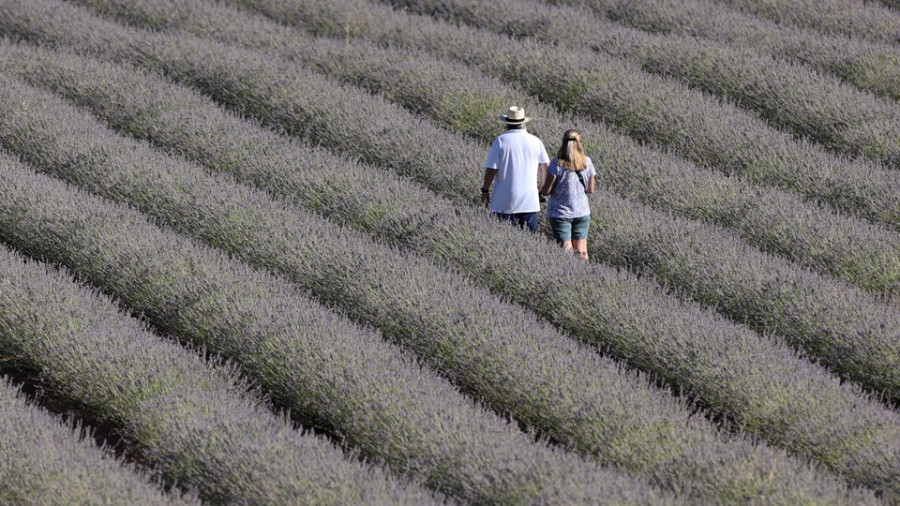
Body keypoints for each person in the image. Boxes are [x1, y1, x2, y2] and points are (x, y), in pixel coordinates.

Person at [481, 106, 550, 233]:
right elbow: (546, 167)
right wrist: (542, 189)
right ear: (523, 123)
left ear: (507, 123)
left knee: (503, 239)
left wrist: (485, 190)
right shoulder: (536, 141)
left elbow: (492, 170)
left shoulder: (500, 141)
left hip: (504, 201)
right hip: (529, 200)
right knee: (530, 241)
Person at [539, 129, 595, 260]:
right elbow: (590, 189)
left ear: (563, 143)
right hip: (581, 211)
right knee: (582, 252)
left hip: (560, 213)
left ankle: (570, 274)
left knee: (566, 250)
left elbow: (546, 190)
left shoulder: (557, 163)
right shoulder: (587, 162)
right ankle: (585, 276)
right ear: (579, 143)